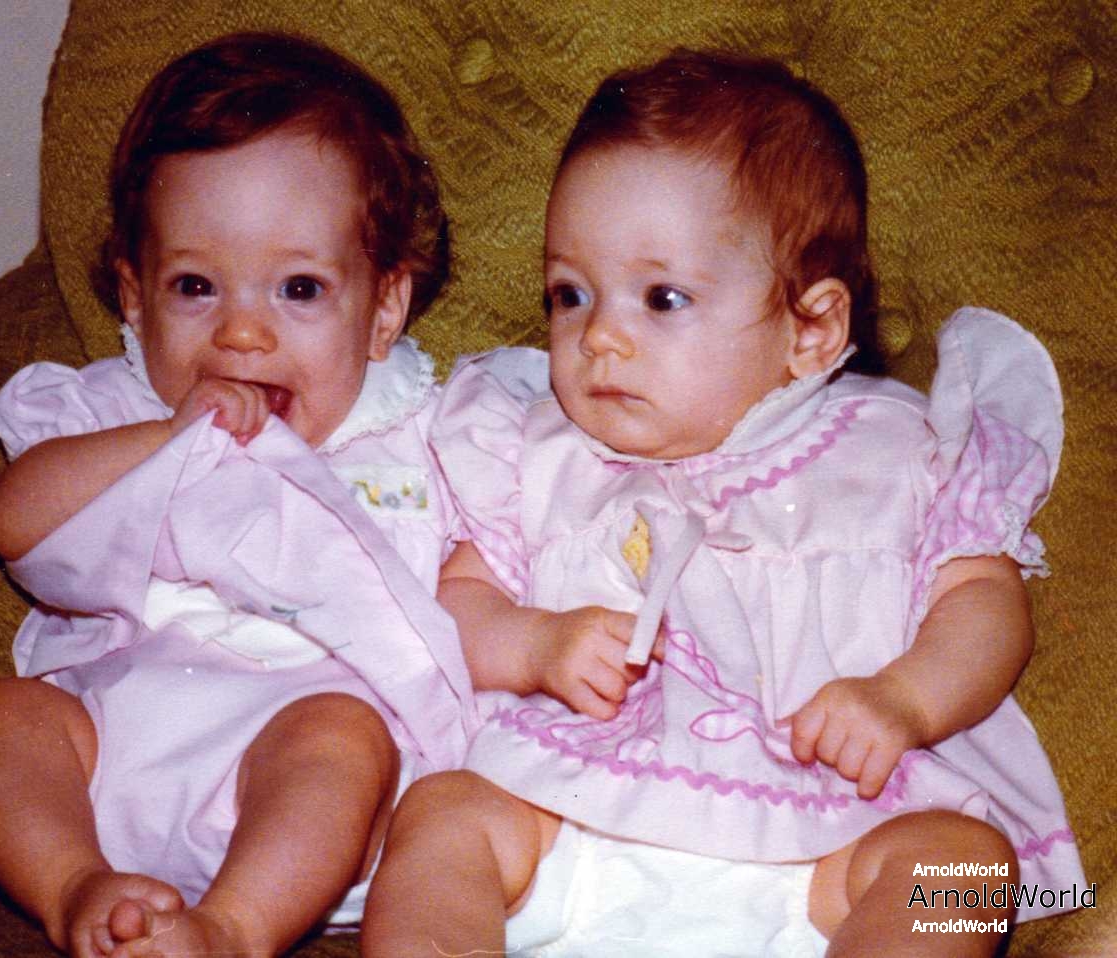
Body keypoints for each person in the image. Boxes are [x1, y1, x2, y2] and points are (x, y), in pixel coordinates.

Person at [361, 50, 1084, 957]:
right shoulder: (532, 453)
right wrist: (536, 644)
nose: (601, 336)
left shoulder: (904, 452)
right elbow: (457, 607)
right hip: (573, 820)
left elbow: (984, 605)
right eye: (571, 294)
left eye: (662, 298)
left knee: (970, 873)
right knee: (443, 811)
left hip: (835, 843)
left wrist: (903, 701)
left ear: (811, 329)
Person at [0, 32, 475, 958]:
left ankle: (231, 930)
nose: (241, 333)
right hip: (110, 742)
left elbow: (485, 575)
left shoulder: (428, 432)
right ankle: (75, 886)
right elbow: (18, 524)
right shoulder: (113, 409)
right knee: (1, 719)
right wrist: (169, 438)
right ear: (134, 299)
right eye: (196, 286)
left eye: (299, 288)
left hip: (300, 770)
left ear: (383, 308)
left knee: (343, 736)